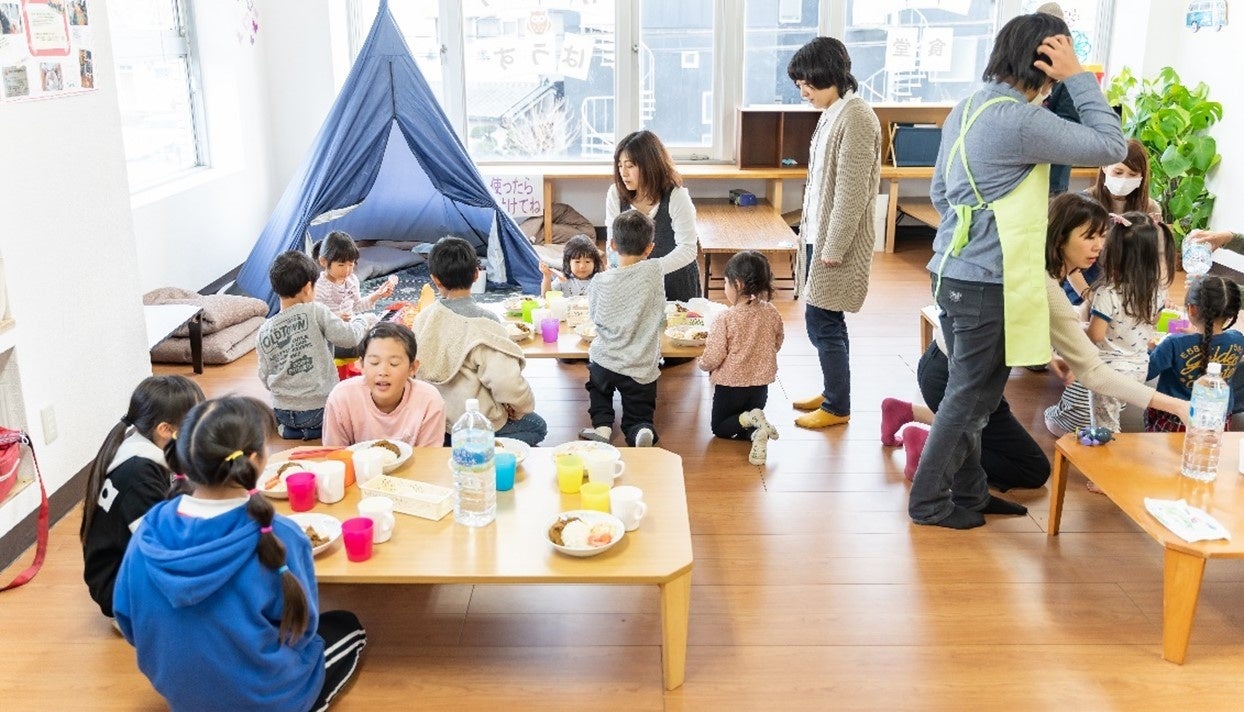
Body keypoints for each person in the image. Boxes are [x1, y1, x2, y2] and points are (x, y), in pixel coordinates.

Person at [908, 13, 1129, 529]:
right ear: (1045, 60)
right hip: (984, 280)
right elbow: (1111, 146)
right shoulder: (1020, 120)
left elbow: (941, 193)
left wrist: (973, 235)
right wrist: (1078, 76)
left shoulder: (968, 108)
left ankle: (970, 493)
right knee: (968, 396)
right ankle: (929, 502)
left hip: (954, 269)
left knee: (980, 398)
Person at [112, 397, 366, 711]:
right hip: (264, 699)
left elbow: (127, 619)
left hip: (182, 697)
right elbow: (302, 629)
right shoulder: (279, 534)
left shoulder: (148, 530)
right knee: (347, 625)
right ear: (256, 460)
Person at [785, 37, 882, 430]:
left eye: (807, 83)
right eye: (799, 85)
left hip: (834, 242)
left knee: (822, 322)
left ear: (829, 74)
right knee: (827, 319)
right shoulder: (832, 112)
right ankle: (832, 393)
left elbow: (852, 192)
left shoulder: (856, 117)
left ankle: (838, 406)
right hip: (818, 235)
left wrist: (835, 246)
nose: (804, 92)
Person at [80, 376, 204, 619]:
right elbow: (163, 548)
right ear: (166, 430)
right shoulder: (139, 475)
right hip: (120, 592)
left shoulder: (144, 446)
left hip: (125, 570)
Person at [1044, 211, 1174, 435]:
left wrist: (1077, 331)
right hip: (1139, 367)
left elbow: (1096, 335)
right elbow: (1152, 322)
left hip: (1107, 369)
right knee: (1107, 410)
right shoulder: (1159, 292)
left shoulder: (1108, 292)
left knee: (1102, 426)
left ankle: (1105, 443)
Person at [413, 237, 547, 445]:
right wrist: (520, 408)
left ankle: (448, 444)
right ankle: (472, 448)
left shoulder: (423, 318)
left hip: (434, 419)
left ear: (435, 280)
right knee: (537, 426)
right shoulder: (485, 323)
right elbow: (506, 382)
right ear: (476, 274)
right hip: (474, 422)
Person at [882, 337, 1051, 491]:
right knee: (1034, 469)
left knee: (982, 427)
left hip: (936, 361)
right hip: (958, 381)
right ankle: (929, 447)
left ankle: (905, 411)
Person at [580, 211, 690, 446]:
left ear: (612, 244)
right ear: (649, 248)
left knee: (598, 389)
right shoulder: (654, 271)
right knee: (639, 409)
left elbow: (595, 316)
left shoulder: (599, 281)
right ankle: (640, 429)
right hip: (640, 364)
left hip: (605, 360)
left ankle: (602, 428)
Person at [257, 250, 376, 440]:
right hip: (319, 409)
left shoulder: (264, 329)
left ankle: (291, 430)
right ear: (307, 288)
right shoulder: (315, 311)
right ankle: (314, 430)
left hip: (282, 411)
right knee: (359, 409)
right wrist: (363, 320)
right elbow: (349, 338)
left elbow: (264, 376)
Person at [697, 251, 784, 465]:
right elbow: (778, 341)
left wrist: (702, 364)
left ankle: (750, 418)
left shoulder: (726, 318)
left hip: (730, 387)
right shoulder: (771, 312)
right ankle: (756, 433)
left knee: (720, 428)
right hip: (760, 386)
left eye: (725, 282)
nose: (724, 287)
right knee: (750, 424)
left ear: (737, 284)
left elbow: (715, 355)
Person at [606, 130, 701, 302]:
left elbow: (688, 248)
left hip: (676, 281)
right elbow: (612, 243)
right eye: (619, 166)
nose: (623, 173)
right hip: (634, 284)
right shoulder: (615, 194)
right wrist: (616, 271)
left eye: (630, 166)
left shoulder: (676, 196)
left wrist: (649, 269)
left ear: (649, 165)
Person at [1144, 274, 1244, 431]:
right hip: (1217, 421)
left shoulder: (1173, 343)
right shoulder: (1238, 339)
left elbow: (1146, 372)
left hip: (1173, 421)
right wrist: (1195, 333)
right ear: (1231, 313)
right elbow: (1210, 343)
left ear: (1191, 309)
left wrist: (1150, 348)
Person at [322, 321, 447, 447]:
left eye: (394, 363)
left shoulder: (429, 401)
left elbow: (429, 456)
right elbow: (334, 454)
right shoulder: (342, 397)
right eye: (374, 362)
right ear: (361, 365)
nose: (383, 372)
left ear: (412, 367)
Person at [1036, 2, 1080, 195]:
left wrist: (1036, 108)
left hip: (1053, 178)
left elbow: (1069, 128)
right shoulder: (1029, 71)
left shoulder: (1069, 79)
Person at [313, 230, 395, 318]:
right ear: (323, 261)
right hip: (332, 326)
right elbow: (315, 318)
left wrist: (378, 294)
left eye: (351, 264)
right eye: (341, 265)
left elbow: (356, 306)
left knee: (372, 318)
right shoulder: (319, 288)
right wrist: (336, 318)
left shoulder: (352, 280)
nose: (347, 270)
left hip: (352, 324)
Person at [540, 234, 604, 297]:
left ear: (595, 263)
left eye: (587, 262)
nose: (582, 266)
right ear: (568, 263)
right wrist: (547, 276)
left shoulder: (599, 281)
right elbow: (546, 297)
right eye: (577, 262)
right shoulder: (563, 280)